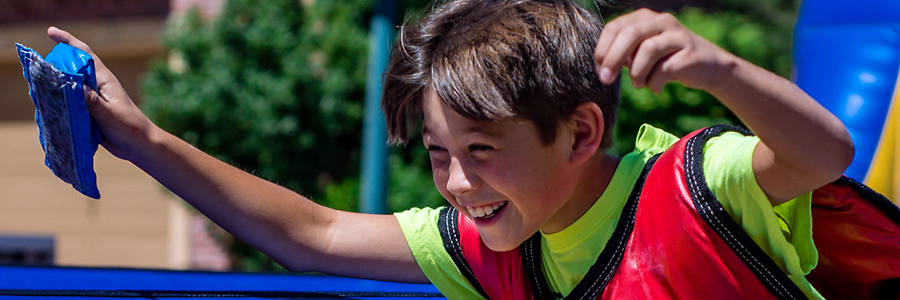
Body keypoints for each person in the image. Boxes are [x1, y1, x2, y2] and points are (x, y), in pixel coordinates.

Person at [45, 0, 855, 299]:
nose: (459, 183)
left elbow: (821, 156)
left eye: (481, 149)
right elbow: (313, 235)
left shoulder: (690, 184)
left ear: (581, 132)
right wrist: (143, 141)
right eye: (438, 152)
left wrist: (722, 71)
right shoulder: (484, 246)